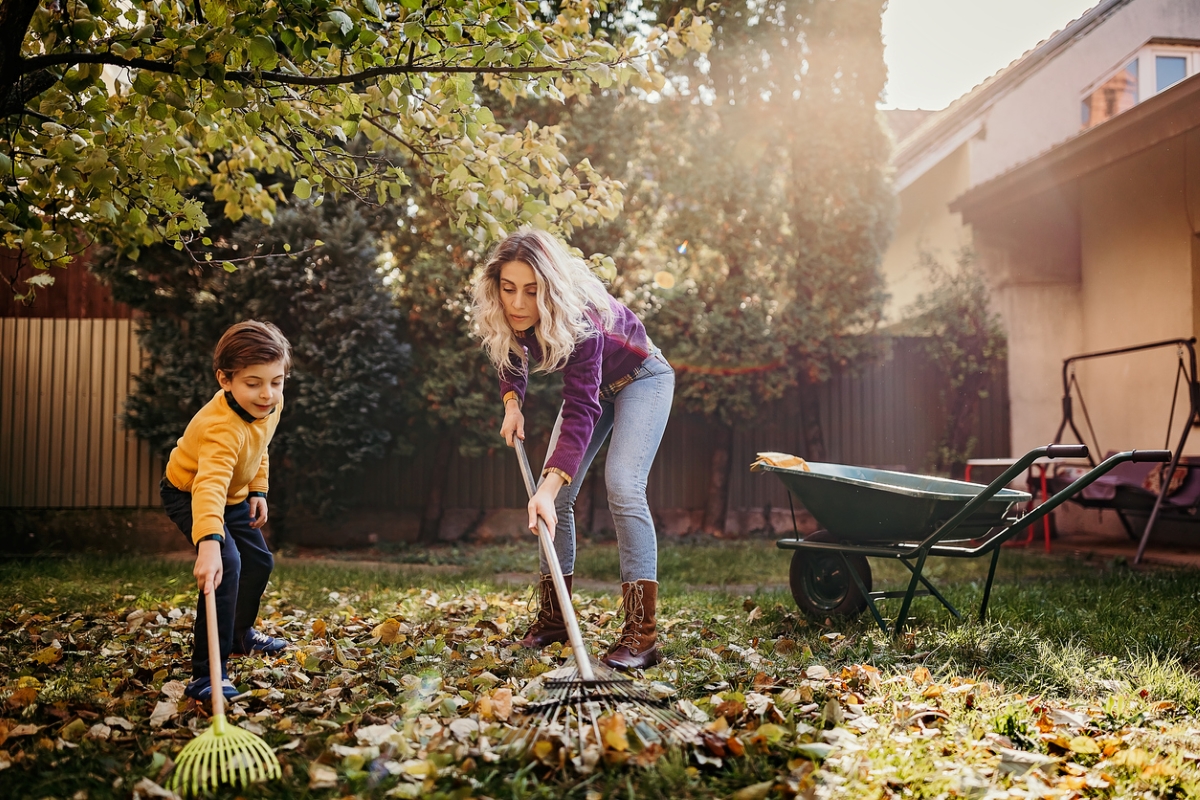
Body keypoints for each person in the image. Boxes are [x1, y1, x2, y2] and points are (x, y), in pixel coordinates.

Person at [471, 228, 675, 670]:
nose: (519, 303)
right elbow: (509, 355)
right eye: (509, 289)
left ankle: (641, 636)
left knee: (622, 483)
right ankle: (556, 620)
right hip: (597, 390)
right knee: (556, 496)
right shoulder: (508, 311)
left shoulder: (581, 319)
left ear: (549, 288)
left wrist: (546, 486)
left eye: (531, 291)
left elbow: (581, 407)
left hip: (644, 379)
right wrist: (512, 404)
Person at [160, 320, 292, 701]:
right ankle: (206, 674)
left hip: (234, 495)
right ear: (225, 379)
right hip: (189, 493)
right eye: (253, 383)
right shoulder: (221, 428)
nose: (267, 394)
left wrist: (258, 489)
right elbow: (209, 486)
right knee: (227, 564)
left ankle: (239, 635)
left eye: (276, 381)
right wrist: (209, 544)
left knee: (260, 562)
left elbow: (260, 443)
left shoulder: (270, 405)